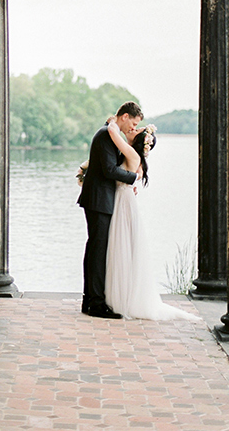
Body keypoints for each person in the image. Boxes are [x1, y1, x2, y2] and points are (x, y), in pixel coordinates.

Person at [101, 118, 198, 322]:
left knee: (122, 246)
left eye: (136, 130)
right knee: (123, 247)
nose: (133, 129)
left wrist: (114, 121)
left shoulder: (131, 153)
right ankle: (119, 295)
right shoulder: (132, 154)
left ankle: (121, 298)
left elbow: (112, 132)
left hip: (123, 203)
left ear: (138, 141)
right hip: (124, 199)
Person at [77, 102, 142, 319]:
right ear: (124, 116)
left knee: (96, 250)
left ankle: (90, 300)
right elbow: (109, 169)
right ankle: (96, 304)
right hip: (98, 200)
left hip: (101, 199)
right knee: (98, 251)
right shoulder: (106, 135)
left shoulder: (110, 134)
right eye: (132, 123)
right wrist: (133, 178)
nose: (132, 128)